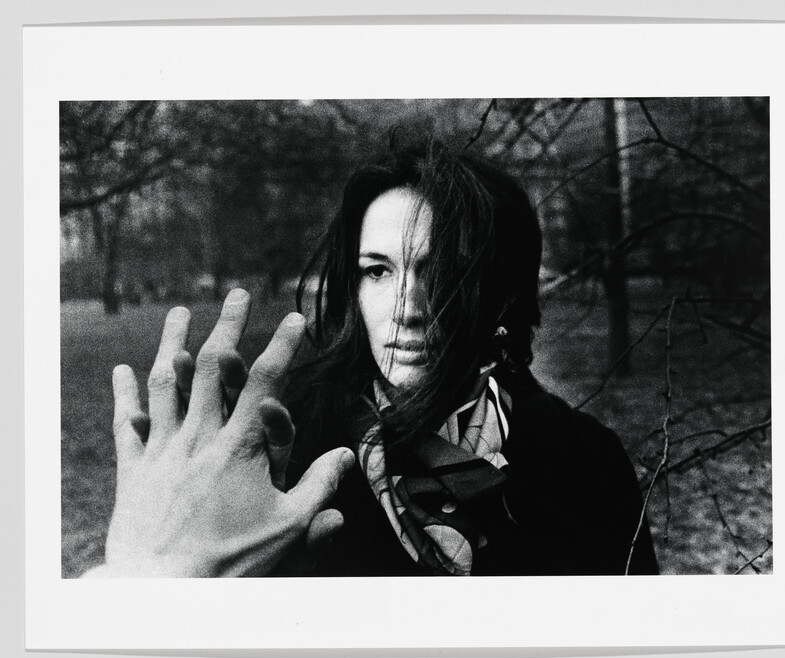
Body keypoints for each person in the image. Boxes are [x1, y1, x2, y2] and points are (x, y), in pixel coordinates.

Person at [88, 139, 658, 578]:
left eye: (443, 272)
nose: (407, 309)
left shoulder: (584, 459)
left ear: (503, 292)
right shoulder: (285, 445)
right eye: (377, 271)